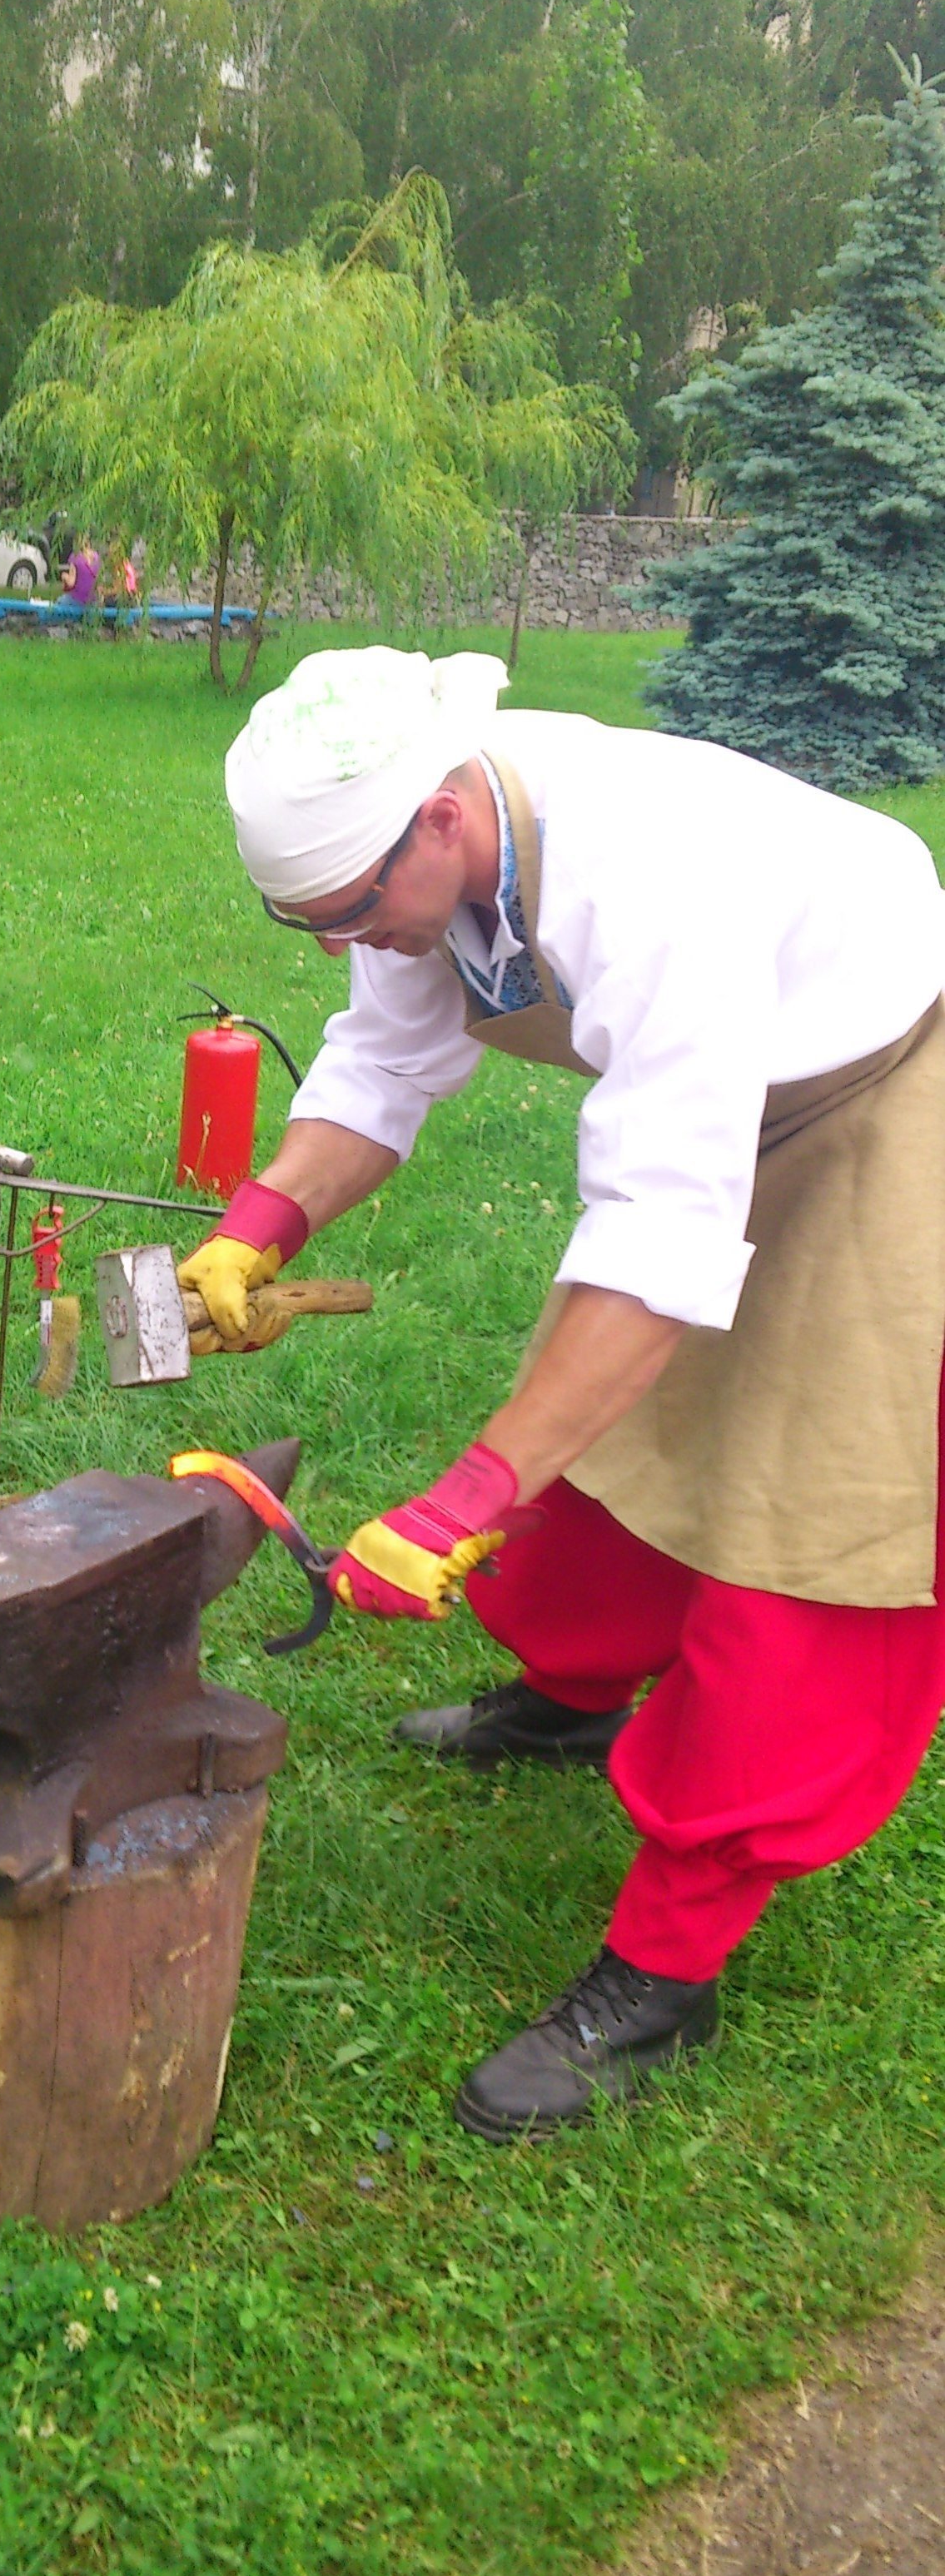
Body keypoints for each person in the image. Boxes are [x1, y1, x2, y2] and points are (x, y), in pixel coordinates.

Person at [178, 646, 945, 2143]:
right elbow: (382, 1069)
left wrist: (471, 1492)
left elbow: (659, 1240)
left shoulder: (654, 883)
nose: (351, 944)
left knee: (811, 1516)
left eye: (351, 915)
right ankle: (573, 1696)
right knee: (624, 1422)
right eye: (311, 924)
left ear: (445, 825)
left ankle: (665, 1973)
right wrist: (258, 1223)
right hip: (734, 1095)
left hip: (886, 1091)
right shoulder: (410, 855)